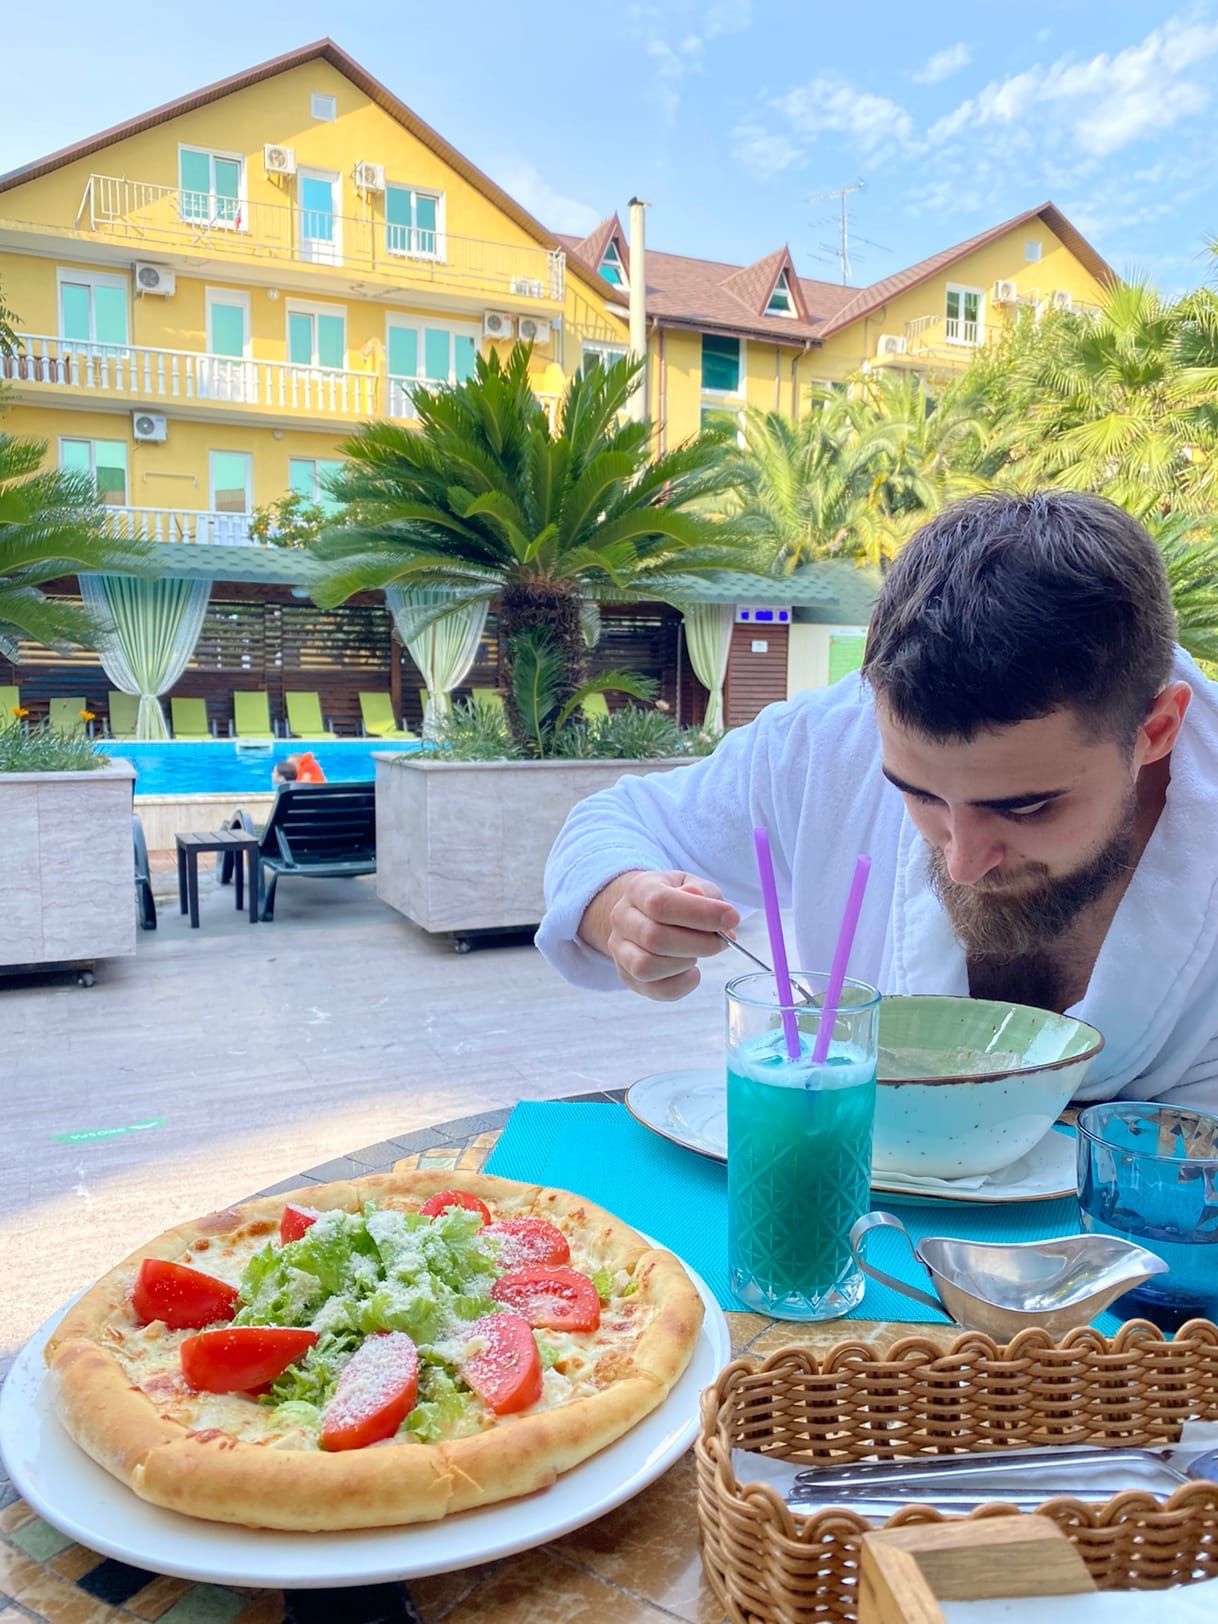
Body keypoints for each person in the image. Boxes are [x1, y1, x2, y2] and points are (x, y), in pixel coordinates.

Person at [537, 491, 1218, 1109]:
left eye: (1025, 808)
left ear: (1156, 731)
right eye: (918, 795)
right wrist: (624, 907)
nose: (962, 863)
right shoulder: (829, 745)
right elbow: (615, 822)